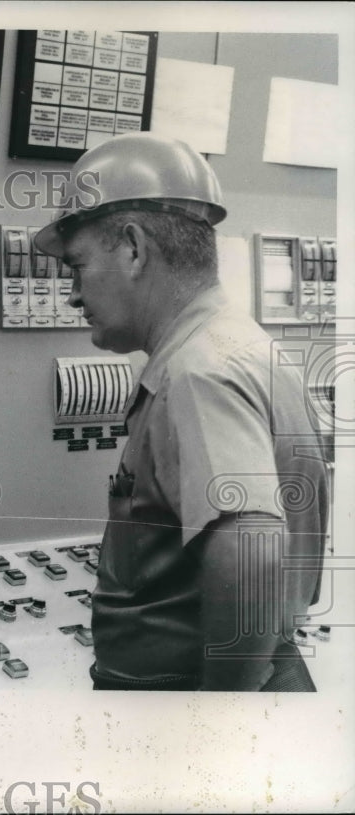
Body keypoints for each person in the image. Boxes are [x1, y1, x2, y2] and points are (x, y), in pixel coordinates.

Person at [34, 133, 330, 691]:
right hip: (265, 666)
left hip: (184, 701)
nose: (72, 294)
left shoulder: (195, 374)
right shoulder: (244, 344)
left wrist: (215, 728)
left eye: (76, 267)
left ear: (133, 248)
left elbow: (252, 554)